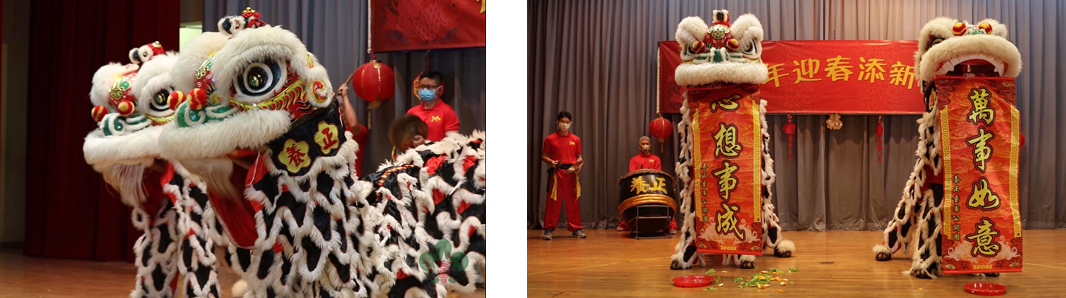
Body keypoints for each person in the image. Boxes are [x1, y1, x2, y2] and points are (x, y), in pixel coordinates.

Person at [617, 136, 677, 234]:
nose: (645, 146)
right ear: (639, 146)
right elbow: (632, 175)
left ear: (650, 145)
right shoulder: (634, 160)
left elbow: (658, 175)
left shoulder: (656, 159)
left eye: (647, 144)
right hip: (640, 189)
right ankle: (627, 224)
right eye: (643, 144)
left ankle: (671, 225)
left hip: (654, 188)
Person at [541, 111, 585, 240]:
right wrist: (551, 162)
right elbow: (544, 156)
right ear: (557, 122)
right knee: (553, 201)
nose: (565, 124)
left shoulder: (575, 139)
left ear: (570, 123)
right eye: (562, 122)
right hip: (556, 173)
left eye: (567, 122)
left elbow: (579, 156)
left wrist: (579, 166)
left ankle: (576, 228)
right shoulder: (550, 139)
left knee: (573, 201)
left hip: (571, 173)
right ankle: (548, 229)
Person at [406, 71, 460, 142]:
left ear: (440, 89)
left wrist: (426, 143)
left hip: (438, 152)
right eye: (422, 86)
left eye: (429, 87)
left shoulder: (448, 112)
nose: (424, 90)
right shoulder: (412, 112)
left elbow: (453, 143)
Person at [336, 84, 369, 177]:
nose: (338, 115)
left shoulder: (359, 131)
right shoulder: (330, 133)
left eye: (341, 111)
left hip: (353, 184)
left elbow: (353, 124)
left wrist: (345, 97)